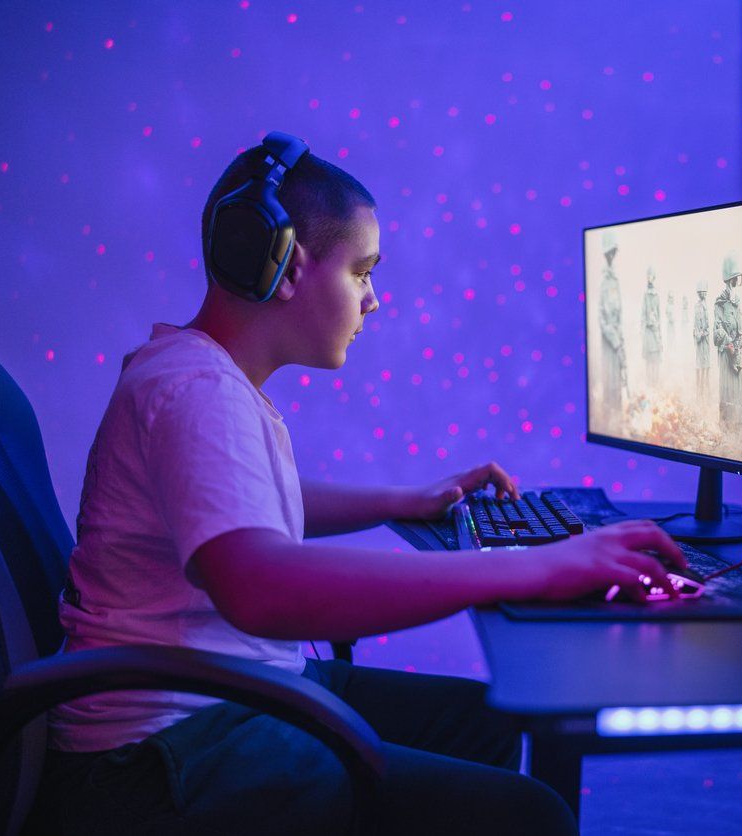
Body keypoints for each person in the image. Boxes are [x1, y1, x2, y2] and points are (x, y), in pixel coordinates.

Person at [41, 137, 686, 835]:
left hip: (219, 702)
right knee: (531, 816)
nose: (373, 301)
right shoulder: (199, 392)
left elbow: (248, 508)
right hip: (161, 760)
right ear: (285, 267)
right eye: (362, 272)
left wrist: (401, 502)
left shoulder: (194, 373)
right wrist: (525, 569)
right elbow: (259, 586)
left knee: (484, 727)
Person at [712, 255, 742, 431]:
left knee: (737, 390)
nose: (735, 281)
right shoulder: (720, 303)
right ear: (729, 278)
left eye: (736, 278)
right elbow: (717, 332)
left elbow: (739, 328)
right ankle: (725, 428)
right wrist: (729, 344)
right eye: (734, 278)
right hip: (726, 354)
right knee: (727, 391)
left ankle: (738, 426)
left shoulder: (737, 302)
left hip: (736, 354)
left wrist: (738, 346)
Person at [598, 230, 628, 417]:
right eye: (610, 252)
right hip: (609, 344)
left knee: (618, 381)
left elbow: (619, 314)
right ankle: (610, 423)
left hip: (618, 340)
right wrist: (615, 341)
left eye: (614, 252)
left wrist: (621, 338)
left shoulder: (615, 280)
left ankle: (617, 421)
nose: (612, 255)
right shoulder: (603, 281)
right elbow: (603, 320)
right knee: (610, 383)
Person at [640, 266, 662, 381]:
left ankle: (655, 380)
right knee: (648, 358)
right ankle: (649, 380)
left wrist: (659, 331)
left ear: (654, 277)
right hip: (648, 331)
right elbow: (643, 313)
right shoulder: (645, 294)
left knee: (656, 358)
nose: (650, 278)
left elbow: (658, 315)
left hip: (655, 330)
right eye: (648, 275)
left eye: (651, 275)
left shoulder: (656, 295)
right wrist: (642, 327)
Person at [692, 280, 710, 395]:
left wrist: (705, 333)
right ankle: (699, 389)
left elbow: (708, 325)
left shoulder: (706, 306)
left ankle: (706, 388)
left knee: (706, 365)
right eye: (701, 292)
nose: (703, 294)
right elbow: (695, 325)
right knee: (699, 365)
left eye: (704, 292)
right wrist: (698, 334)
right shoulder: (697, 306)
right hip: (699, 342)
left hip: (705, 341)